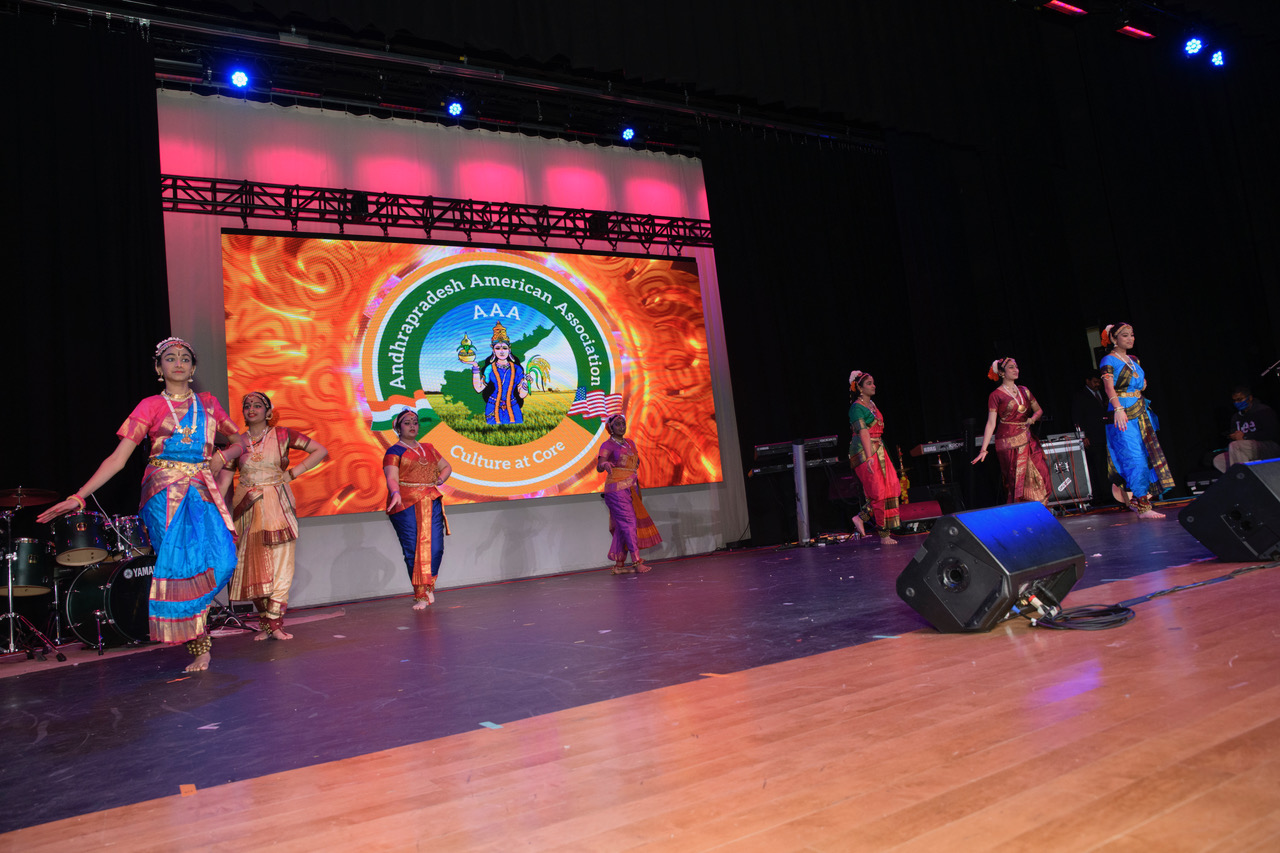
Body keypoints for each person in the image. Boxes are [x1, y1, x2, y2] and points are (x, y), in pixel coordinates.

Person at [36, 337, 238, 672]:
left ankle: (186, 616)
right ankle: (200, 644)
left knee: (224, 560)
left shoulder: (209, 403)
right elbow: (117, 460)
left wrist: (223, 455)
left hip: (202, 488)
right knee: (182, 565)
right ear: (159, 368)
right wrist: (79, 495)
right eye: (169, 358)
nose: (178, 363)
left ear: (193, 368)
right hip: (163, 491)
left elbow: (240, 440)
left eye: (185, 358)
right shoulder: (149, 406)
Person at [218, 392, 327, 640]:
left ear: (268, 412)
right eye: (247, 405)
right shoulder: (237, 443)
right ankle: (266, 624)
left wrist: (292, 474)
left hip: (278, 505)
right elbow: (223, 483)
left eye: (258, 405)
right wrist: (215, 511)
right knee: (252, 567)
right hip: (247, 509)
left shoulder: (283, 435)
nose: (251, 409)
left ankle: (276, 622)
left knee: (281, 564)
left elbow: (320, 450)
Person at [1100, 322, 1174, 517]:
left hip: (1140, 410)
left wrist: (1140, 385)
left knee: (1147, 453)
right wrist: (1118, 409)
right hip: (1122, 411)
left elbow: (1140, 383)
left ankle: (1138, 498)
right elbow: (1108, 387)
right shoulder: (1108, 360)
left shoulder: (1134, 360)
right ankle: (1142, 504)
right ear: (1114, 339)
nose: (1130, 338)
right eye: (1125, 335)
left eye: (1132, 335)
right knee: (1133, 455)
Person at [383, 410, 451, 609]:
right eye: (407, 423)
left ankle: (429, 585)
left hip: (431, 501)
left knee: (436, 547)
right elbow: (391, 477)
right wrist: (395, 492)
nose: (412, 426)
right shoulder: (394, 452)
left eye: (415, 422)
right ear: (398, 428)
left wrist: (440, 479)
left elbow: (446, 467)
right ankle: (420, 594)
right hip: (406, 503)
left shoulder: (429, 448)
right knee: (413, 549)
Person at [972, 358, 1052, 504]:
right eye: (1011, 367)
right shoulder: (996, 395)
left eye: (1016, 367)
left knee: (1042, 473)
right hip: (1008, 442)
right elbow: (991, 423)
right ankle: (1023, 513)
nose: (1016, 370)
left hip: (1027, 438)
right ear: (1002, 373)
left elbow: (1039, 410)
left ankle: (1040, 510)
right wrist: (983, 449)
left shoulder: (1024, 391)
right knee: (1016, 480)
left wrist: (1032, 419)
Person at [596, 413, 662, 573]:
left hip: (632, 487)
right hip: (616, 489)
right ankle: (637, 562)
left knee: (622, 527)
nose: (621, 426)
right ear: (611, 428)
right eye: (617, 424)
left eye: (623, 423)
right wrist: (605, 465)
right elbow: (599, 465)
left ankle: (619, 566)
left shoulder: (630, 443)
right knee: (629, 523)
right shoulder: (607, 445)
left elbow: (635, 463)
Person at [848, 370, 900, 544]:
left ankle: (860, 518)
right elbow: (863, 432)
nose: (873, 386)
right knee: (878, 491)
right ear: (860, 388)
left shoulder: (872, 405)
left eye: (873, 382)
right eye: (869, 383)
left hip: (879, 448)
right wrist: (869, 456)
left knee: (892, 487)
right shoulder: (856, 408)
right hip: (864, 452)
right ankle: (884, 535)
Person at [470, 320, 528, 424]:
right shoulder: (490, 368)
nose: (501, 351)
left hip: (513, 406)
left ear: (509, 349)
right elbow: (478, 388)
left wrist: (526, 384)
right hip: (493, 406)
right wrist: (475, 367)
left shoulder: (517, 369)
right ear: (493, 350)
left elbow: (522, 395)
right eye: (498, 348)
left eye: (504, 348)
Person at [1213, 386, 1280, 472]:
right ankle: (1250, 474)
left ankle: (1244, 476)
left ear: (1250, 398)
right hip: (1246, 447)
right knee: (1218, 460)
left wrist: (1245, 437)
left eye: (1239, 399)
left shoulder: (1263, 410)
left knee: (1236, 446)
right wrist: (1233, 437)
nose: (1237, 403)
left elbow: (1271, 433)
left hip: (1268, 447)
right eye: (1234, 401)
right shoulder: (1235, 417)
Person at [1071, 370, 1113, 503]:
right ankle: (1101, 495)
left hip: (1106, 434)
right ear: (1087, 381)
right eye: (1095, 382)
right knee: (1097, 466)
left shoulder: (1103, 393)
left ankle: (1111, 492)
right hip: (1092, 436)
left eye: (1099, 382)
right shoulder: (1080, 396)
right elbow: (1077, 418)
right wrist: (1083, 436)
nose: (1097, 385)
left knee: (1107, 465)